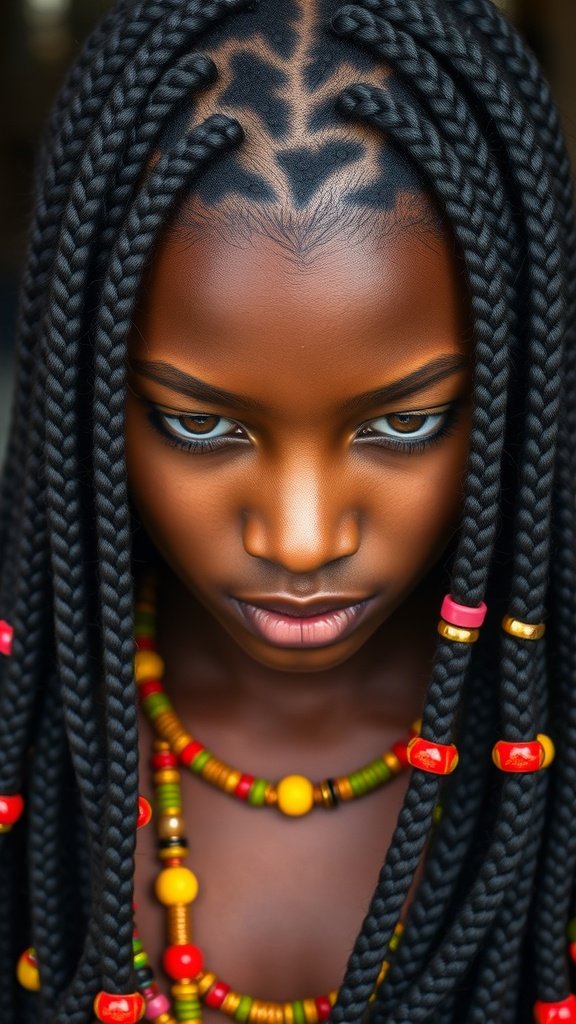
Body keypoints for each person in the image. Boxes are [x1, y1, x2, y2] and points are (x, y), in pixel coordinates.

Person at [0, 1, 574, 1022]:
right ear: (82, 395)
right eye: (199, 426)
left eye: (403, 427)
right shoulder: (31, 748)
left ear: (517, 391)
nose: (303, 539)